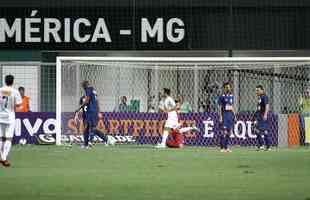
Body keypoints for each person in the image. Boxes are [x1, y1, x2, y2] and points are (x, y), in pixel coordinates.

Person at [0, 75, 22, 167]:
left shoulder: (0, 90)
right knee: (9, 138)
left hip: (0, 115)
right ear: (12, 82)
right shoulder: (15, 92)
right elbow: (19, 105)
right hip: (10, 117)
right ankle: (4, 158)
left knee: (0, 138)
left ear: (5, 81)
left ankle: (2, 157)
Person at [75, 81, 102, 149]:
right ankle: (86, 144)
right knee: (87, 127)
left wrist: (79, 108)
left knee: (90, 127)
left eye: (83, 86)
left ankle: (90, 142)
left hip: (91, 111)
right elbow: (97, 101)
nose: (83, 88)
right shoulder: (94, 90)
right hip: (94, 111)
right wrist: (98, 111)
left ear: (85, 86)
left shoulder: (88, 90)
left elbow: (87, 101)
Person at [218, 82, 235, 153]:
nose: (229, 88)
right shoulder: (221, 96)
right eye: (227, 87)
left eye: (229, 87)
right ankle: (222, 148)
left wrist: (234, 115)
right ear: (224, 88)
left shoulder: (231, 96)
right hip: (224, 115)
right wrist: (221, 116)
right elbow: (219, 107)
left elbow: (231, 106)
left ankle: (226, 147)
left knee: (229, 132)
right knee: (224, 132)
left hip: (230, 115)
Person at [254, 85, 271, 151]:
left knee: (264, 131)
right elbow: (259, 107)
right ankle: (262, 145)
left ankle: (267, 146)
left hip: (262, 115)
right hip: (259, 115)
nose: (256, 92)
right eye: (256, 90)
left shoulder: (264, 97)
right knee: (257, 130)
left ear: (262, 90)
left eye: (258, 90)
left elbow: (267, 105)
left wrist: (265, 114)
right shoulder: (260, 97)